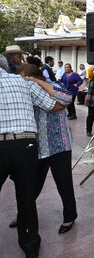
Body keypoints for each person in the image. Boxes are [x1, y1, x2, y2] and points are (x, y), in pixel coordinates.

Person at [0, 54, 64, 258]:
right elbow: (54, 104)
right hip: (26, 144)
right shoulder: (22, 82)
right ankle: (30, 245)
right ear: (6, 67)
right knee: (26, 197)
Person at [11, 63, 78, 235]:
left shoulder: (55, 86)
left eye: (25, 78)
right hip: (38, 146)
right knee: (32, 185)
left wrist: (37, 82)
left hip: (59, 145)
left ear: (34, 76)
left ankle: (70, 216)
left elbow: (66, 98)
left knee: (64, 184)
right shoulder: (23, 90)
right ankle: (23, 215)